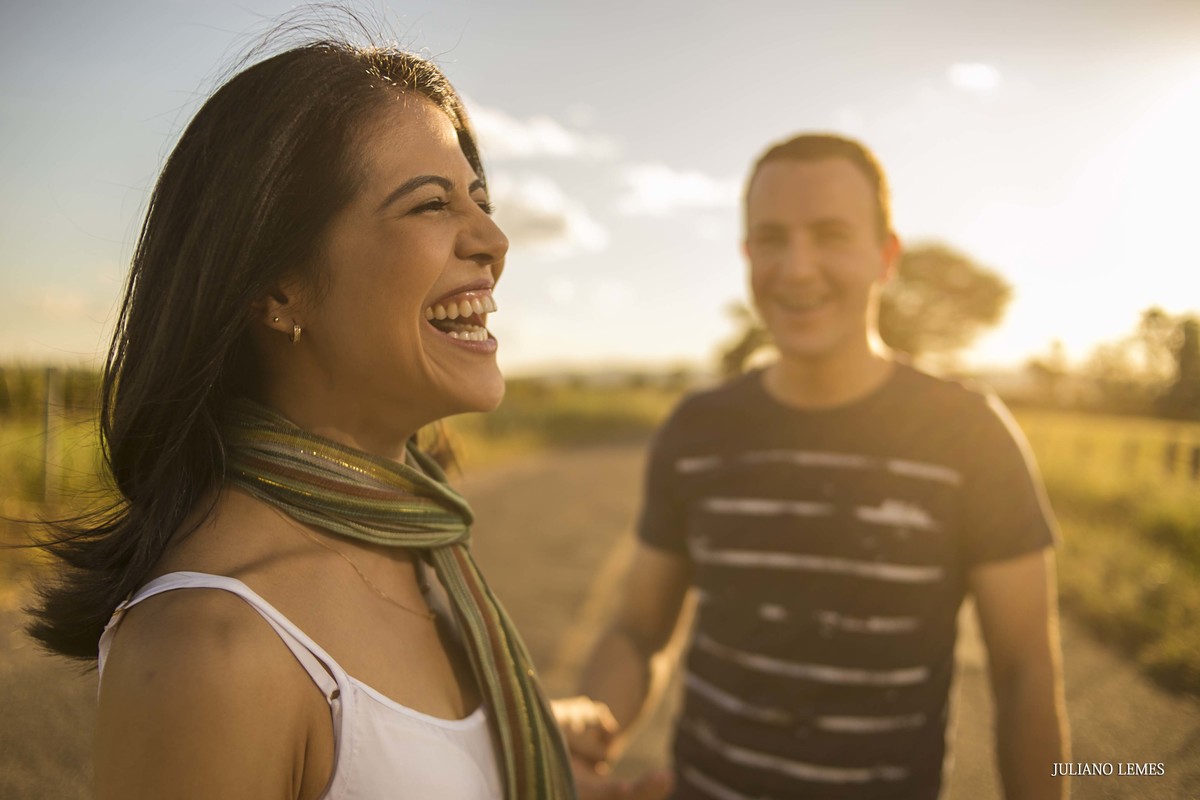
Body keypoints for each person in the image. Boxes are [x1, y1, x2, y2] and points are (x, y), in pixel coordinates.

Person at [27, 33, 579, 800]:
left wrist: (527, 757)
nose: (493, 240)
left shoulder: (413, 537)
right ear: (279, 287)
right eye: (431, 204)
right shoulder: (210, 649)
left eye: (479, 200)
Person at [567, 134, 1070, 799]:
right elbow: (639, 631)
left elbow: (1024, 672)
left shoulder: (971, 436)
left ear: (885, 256)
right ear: (748, 257)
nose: (797, 268)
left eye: (831, 234)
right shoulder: (697, 429)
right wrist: (588, 744)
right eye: (771, 239)